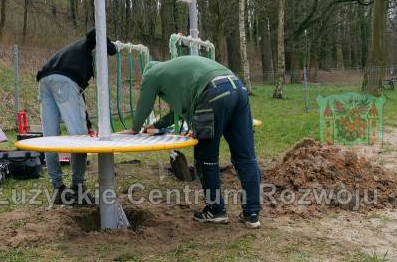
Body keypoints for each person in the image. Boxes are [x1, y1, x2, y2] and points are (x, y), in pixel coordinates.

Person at [120, 56, 262, 228]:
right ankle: (252, 213)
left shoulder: (152, 75)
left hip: (212, 95)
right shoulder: (177, 70)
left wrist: (135, 129)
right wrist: (157, 125)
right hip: (238, 89)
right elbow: (180, 111)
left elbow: (145, 103)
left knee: (206, 157)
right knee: (246, 156)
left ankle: (216, 209)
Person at [36, 28, 117, 205]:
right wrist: (109, 44)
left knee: (50, 138)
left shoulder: (74, 52)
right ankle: (78, 187)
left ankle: (58, 188)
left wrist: (86, 121)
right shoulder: (89, 46)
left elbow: (79, 95)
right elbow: (97, 34)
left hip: (45, 80)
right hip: (63, 82)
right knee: (79, 137)